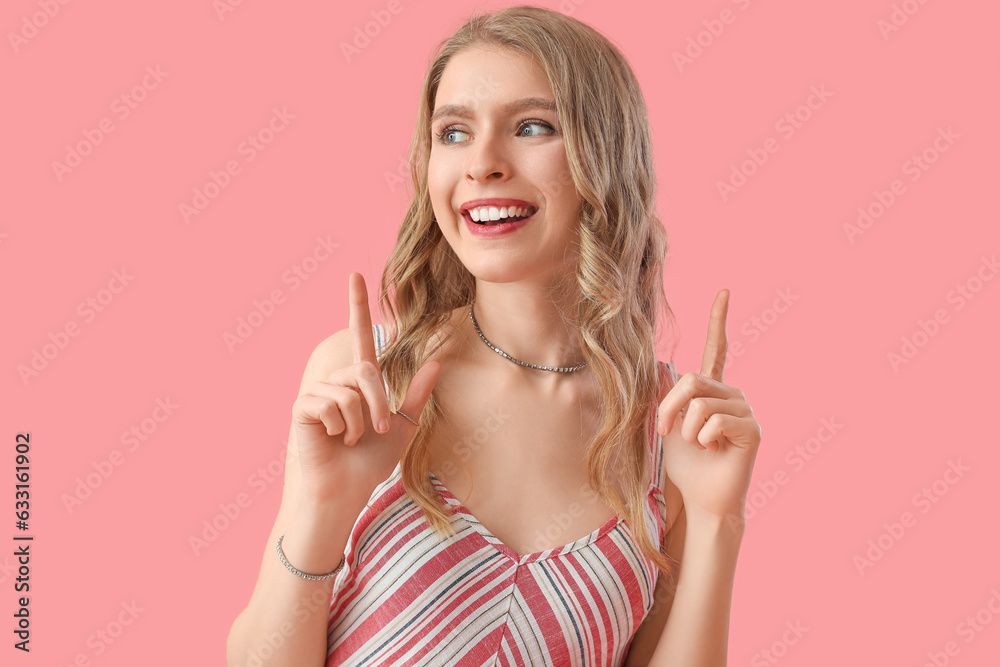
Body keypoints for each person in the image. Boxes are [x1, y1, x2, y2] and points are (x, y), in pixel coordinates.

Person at [227, 6, 762, 666]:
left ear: (606, 151)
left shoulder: (668, 430)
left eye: (531, 126)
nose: (482, 164)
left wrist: (716, 519)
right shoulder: (371, 379)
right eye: (454, 132)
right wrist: (320, 509)